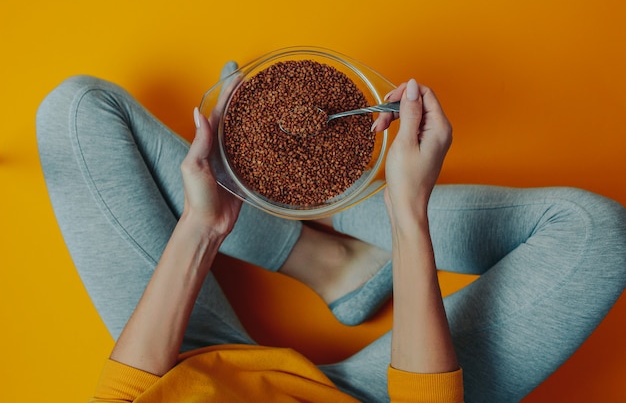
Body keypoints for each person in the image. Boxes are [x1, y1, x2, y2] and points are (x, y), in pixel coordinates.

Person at [36, 61, 626, 403]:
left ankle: (327, 258)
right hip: (370, 397)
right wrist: (404, 213)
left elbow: (122, 398)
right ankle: (346, 219)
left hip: (184, 370)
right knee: (598, 236)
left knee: (74, 110)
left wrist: (203, 227)